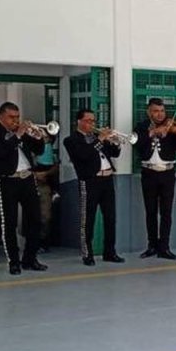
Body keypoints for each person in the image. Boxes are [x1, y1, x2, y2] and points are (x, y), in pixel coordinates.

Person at [0, 102, 48, 275]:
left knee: (35, 220)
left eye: (17, 117)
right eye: (11, 117)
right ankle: (14, 261)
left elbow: (39, 151)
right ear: (0, 117)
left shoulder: (22, 133)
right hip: (7, 181)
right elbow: (0, 153)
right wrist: (17, 135)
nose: (15, 120)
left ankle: (30, 259)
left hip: (27, 179)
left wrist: (38, 137)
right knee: (9, 223)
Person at [63, 109, 124, 266]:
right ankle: (87, 254)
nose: (92, 124)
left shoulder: (97, 138)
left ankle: (110, 252)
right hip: (90, 181)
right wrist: (100, 140)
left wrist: (115, 142)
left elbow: (114, 154)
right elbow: (84, 155)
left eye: (93, 121)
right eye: (88, 121)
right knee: (88, 219)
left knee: (110, 217)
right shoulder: (71, 140)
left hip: (107, 179)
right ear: (79, 122)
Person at [134, 98, 176, 260]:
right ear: (149, 112)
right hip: (148, 173)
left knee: (166, 212)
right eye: (156, 111)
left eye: (162, 111)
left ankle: (164, 247)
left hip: (167, 173)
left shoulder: (171, 126)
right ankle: (152, 245)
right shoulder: (141, 127)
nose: (160, 114)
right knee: (150, 211)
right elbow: (136, 143)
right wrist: (153, 132)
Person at [33, 135, 59, 252]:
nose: (45, 139)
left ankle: (43, 242)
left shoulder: (50, 151)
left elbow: (55, 166)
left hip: (45, 186)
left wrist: (45, 174)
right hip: (31, 184)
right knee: (33, 216)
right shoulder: (31, 147)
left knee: (45, 216)